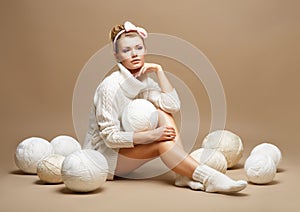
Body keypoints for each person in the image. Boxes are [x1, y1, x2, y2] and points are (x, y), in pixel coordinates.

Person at [84, 21, 247, 193]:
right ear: (117, 56)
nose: (134, 54)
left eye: (138, 48)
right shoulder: (110, 87)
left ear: (145, 50)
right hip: (105, 158)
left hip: (128, 149)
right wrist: (152, 135)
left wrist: (159, 70)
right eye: (126, 50)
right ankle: (208, 178)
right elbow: (110, 137)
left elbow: (172, 106)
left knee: (163, 113)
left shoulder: (144, 82)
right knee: (162, 144)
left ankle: (185, 175)